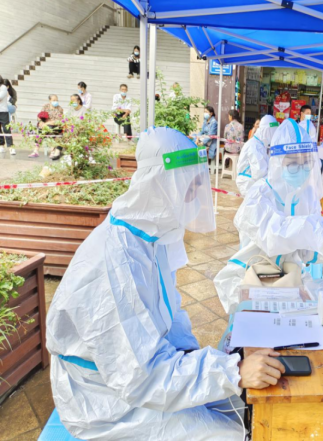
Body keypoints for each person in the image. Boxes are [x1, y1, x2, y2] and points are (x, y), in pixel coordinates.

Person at [47, 126, 286, 440]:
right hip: (104, 401)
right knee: (234, 433)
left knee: (240, 406)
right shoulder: (114, 264)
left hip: (143, 376)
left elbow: (169, 315)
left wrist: (199, 361)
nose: (194, 197)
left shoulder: (148, 237)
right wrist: (232, 371)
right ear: (161, 184)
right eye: (189, 187)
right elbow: (140, 378)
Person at [214, 118, 323, 314]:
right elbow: (275, 236)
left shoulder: (306, 196)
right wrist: (322, 232)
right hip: (252, 275)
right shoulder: (259, 195)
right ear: (278, 163)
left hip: (289, 277)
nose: (302, 169)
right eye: (293, 163)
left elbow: (306, 253)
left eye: (306, 163)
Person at [236, 114, 279, 197]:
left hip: (255, 183)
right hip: (248, 184)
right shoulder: (254, 146)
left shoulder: (260, 144)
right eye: (272, 132)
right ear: (266, 131)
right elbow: (259, 173)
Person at [0, 75, 14, 155]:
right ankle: (1, 145)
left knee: (6, 129)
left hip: (3, 111)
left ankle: (11, 147)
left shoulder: (3, 87)